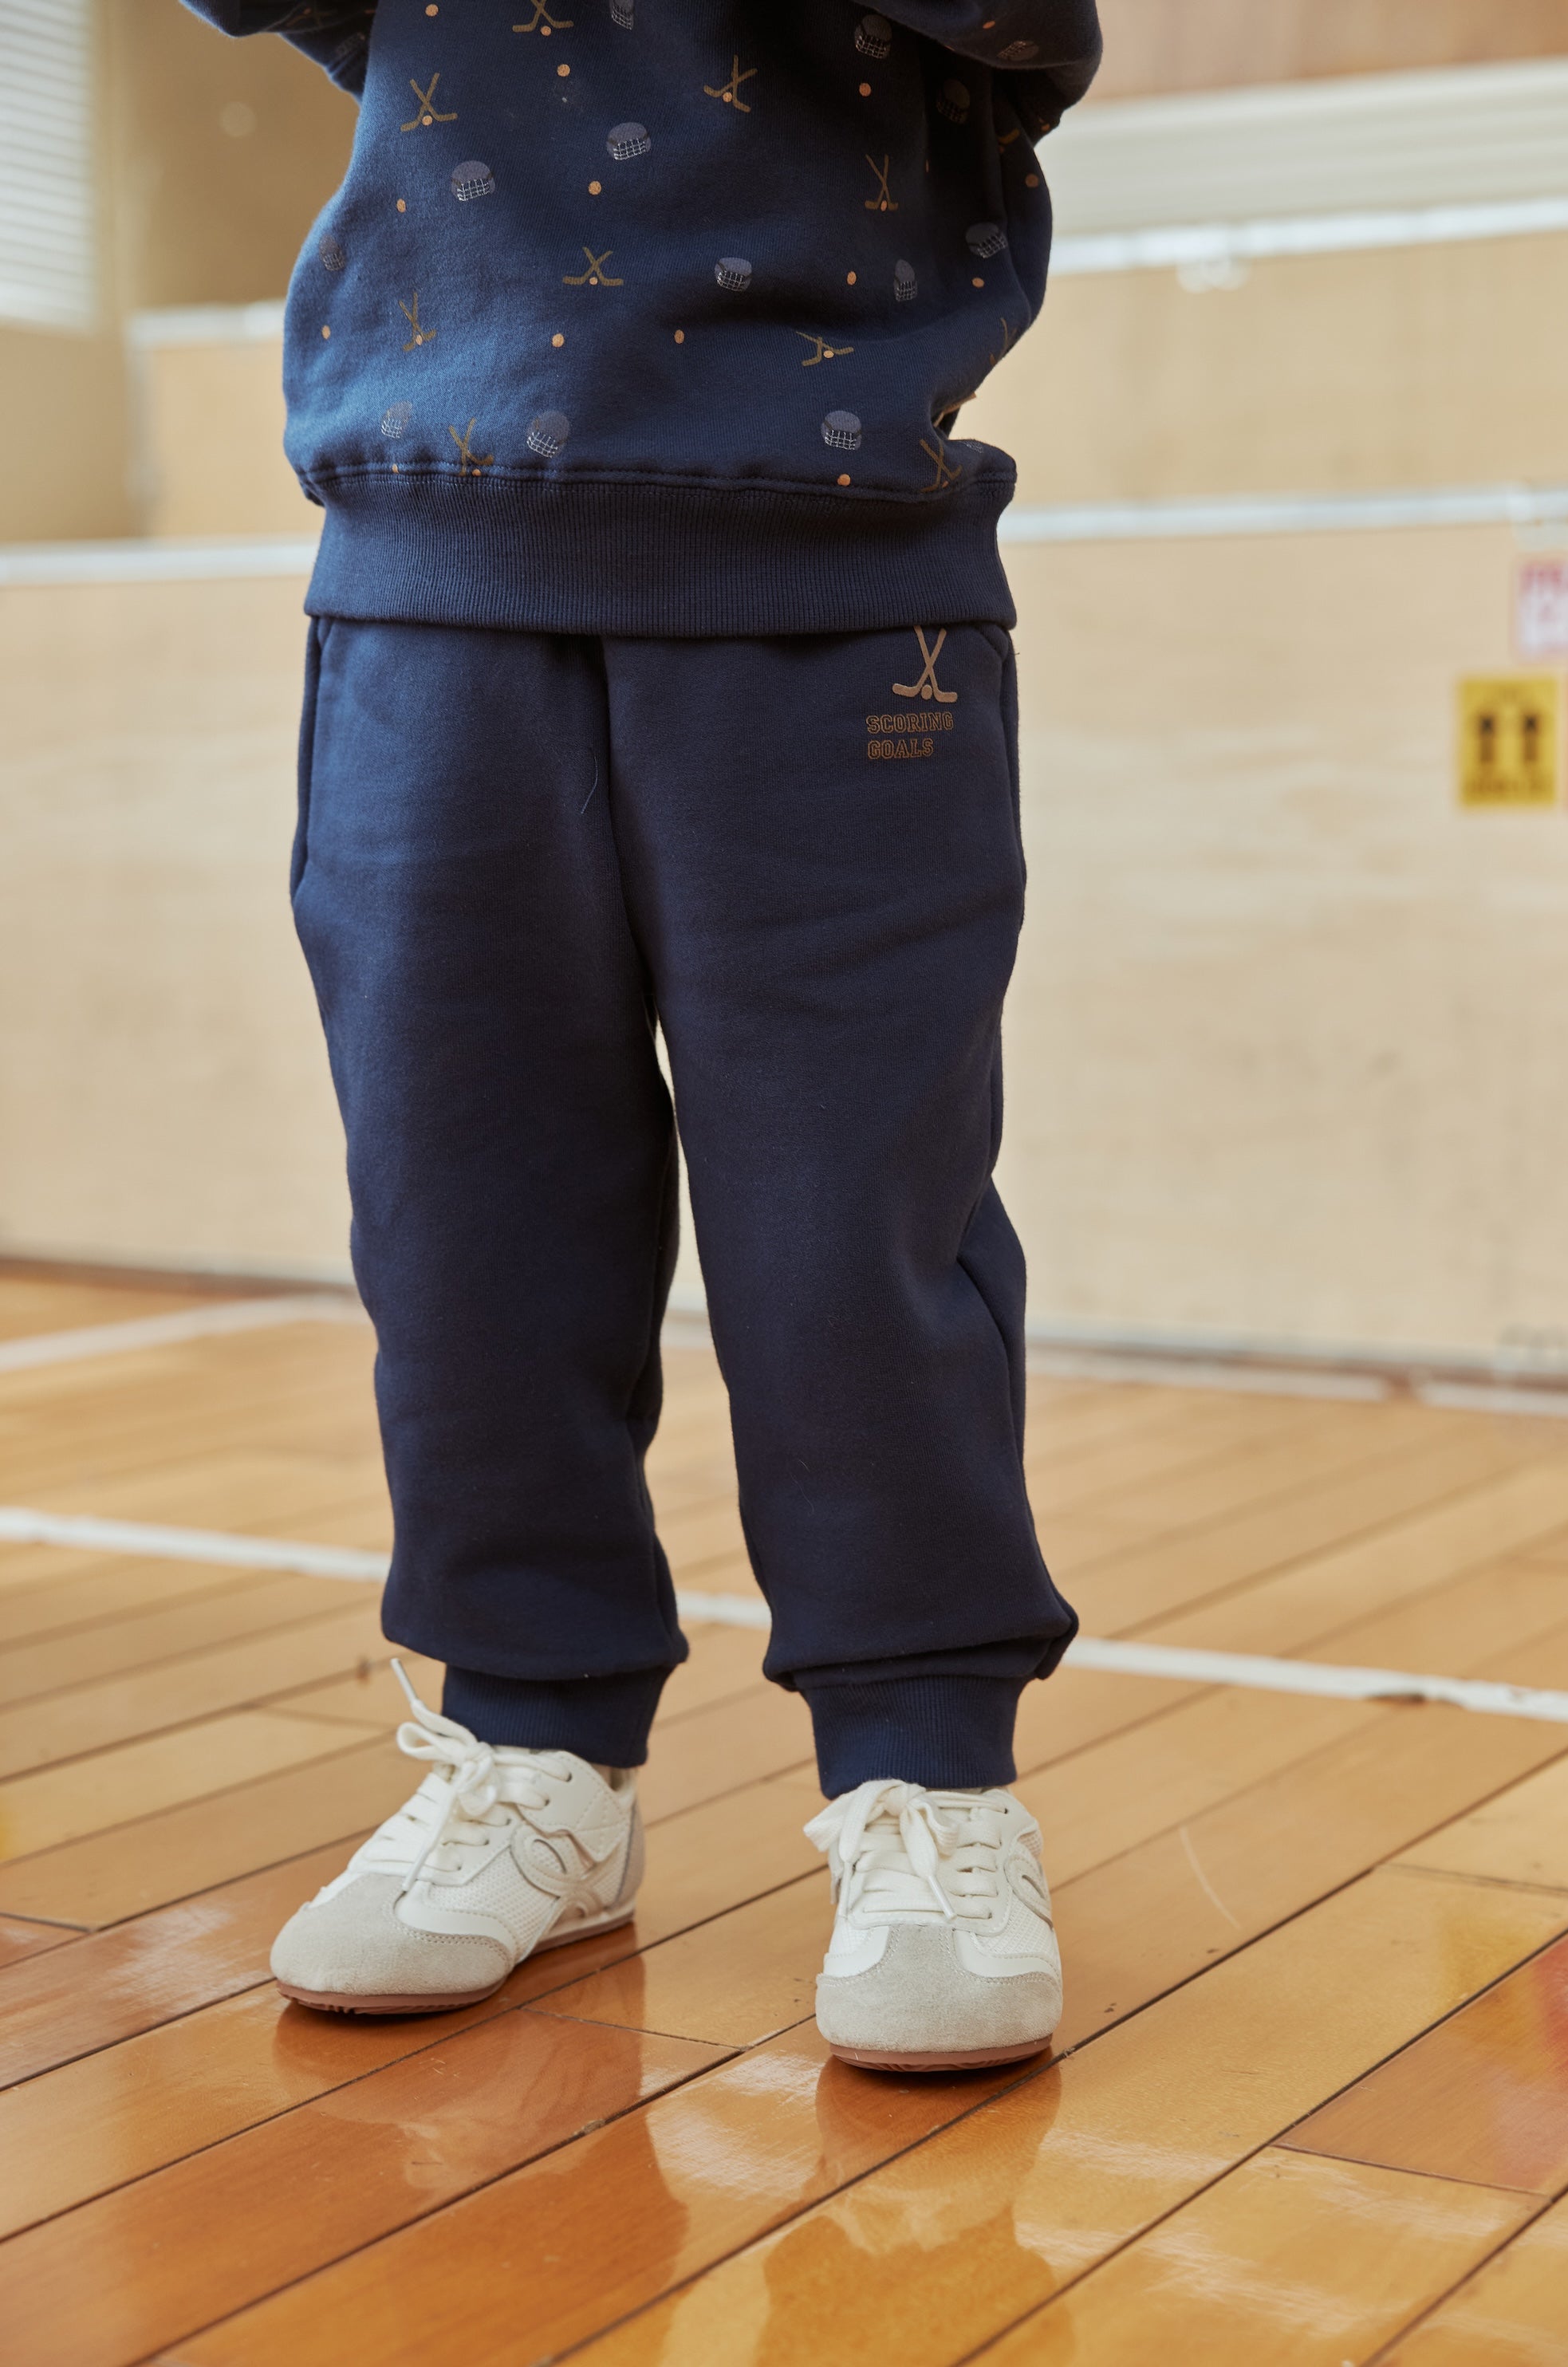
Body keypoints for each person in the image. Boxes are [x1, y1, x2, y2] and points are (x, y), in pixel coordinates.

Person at [183, 0, 1101, 2071]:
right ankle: (530, 1747)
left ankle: (923, 1779)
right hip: (429, 558)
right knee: (462, 1208)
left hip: (842, 565)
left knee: (850, 1221)